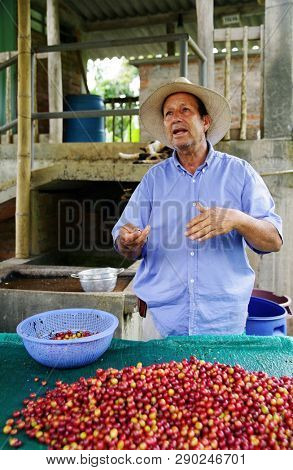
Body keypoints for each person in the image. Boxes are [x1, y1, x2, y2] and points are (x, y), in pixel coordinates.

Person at [112, 77, 282, 338]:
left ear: (205, 121)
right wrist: (128, 242)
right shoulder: (154, 180)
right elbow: (124, 239)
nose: (175, 118)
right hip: (161, 322)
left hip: (223, 323)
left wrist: (236, 219)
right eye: (169, 113)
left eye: (185, 110)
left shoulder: (239, 173)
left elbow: (273, 240)